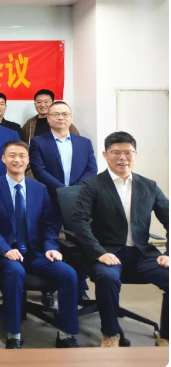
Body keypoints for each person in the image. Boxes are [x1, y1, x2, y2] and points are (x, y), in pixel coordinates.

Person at [72, 131, 169, 348]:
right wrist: (99, 252)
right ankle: (110, 333)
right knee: (107, 277)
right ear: (105, 155)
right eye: (116, 152)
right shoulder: (92, 185)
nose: (122, 158)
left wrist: (169, 254)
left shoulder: (149, 186)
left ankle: (166, 335)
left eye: (128, 152)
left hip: (142, 253)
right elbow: (79, 223)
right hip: (107, 252)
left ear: (136, 155)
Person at [0, 141, 80, 349]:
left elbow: (49, 224)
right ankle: (14, 333)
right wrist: (5, 249)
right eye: (12, 155)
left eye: (22, 156)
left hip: (35, 253)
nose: (17, 160)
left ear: (28, 161)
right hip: (6, 253)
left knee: (68, 273)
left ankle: (66, 333)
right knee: (16, 272)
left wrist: (51, 246)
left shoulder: (39, 189)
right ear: (3, 159)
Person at [29, 100, 98, 303]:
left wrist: (73, 191)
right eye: (56, 114)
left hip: (78, 201)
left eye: (65, 114)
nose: (61, 117)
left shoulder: (84, 143)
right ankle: (48, 289)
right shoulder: (39, 142)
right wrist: (62, 190)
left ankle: (80, 287)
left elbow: (91, 169)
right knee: (49, 240)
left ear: (71, 117)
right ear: (48, 118)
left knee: (79, 242)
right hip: (50, 199)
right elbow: (39, 170)